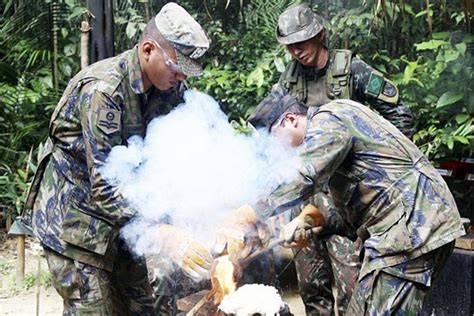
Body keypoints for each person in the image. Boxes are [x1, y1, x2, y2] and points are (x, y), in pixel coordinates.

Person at [19, 3, 212, 315]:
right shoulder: (104, 90)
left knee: (142, 309)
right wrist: (165, 234)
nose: (181, 77)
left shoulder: (169, 89)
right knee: (93, 310)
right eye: (176, 67)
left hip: (124, 223)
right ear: (148, 49)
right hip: (77, 226)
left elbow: (179, 158)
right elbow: (106, 187)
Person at [247, 91, 465, 315]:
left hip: (412, 229)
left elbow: (305, 176)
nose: (275, 150)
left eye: (272, 139)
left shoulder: (330, 119)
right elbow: (354, 210)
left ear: (290, 120)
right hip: (408, 231)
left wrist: (248, 213)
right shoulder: (328, 140)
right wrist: (311, 221)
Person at [270, 3, 416, 314]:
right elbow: (269, 125)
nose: (297, 51)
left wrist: (379, 170)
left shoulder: (352, 70)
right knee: (312, 288)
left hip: (348, 199)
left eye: (302, 42)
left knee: (352, 289)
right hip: (307, 196)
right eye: (290, 46)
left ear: (319, 35)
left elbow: (400, 114)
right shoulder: (289, 80)